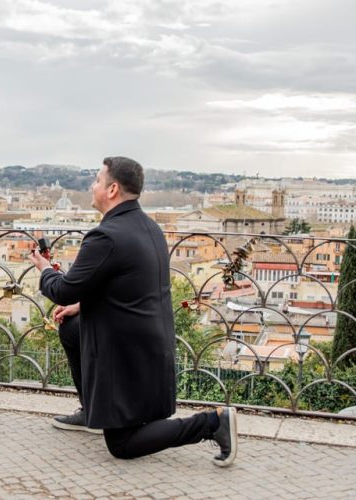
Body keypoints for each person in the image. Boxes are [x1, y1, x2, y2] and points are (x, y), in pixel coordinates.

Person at [29, 157, 237, 466]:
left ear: (112, 189)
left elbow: (63, 289)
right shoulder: (149, 227)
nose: (92, 185)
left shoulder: (106, 236)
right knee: (71, 329)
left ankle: (213, 423)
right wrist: (81, 305)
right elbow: (129, 287)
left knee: (122, 445)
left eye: (97, 181)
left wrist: (44, 268)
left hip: (125, 352)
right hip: (150, 342)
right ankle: (92, 410)